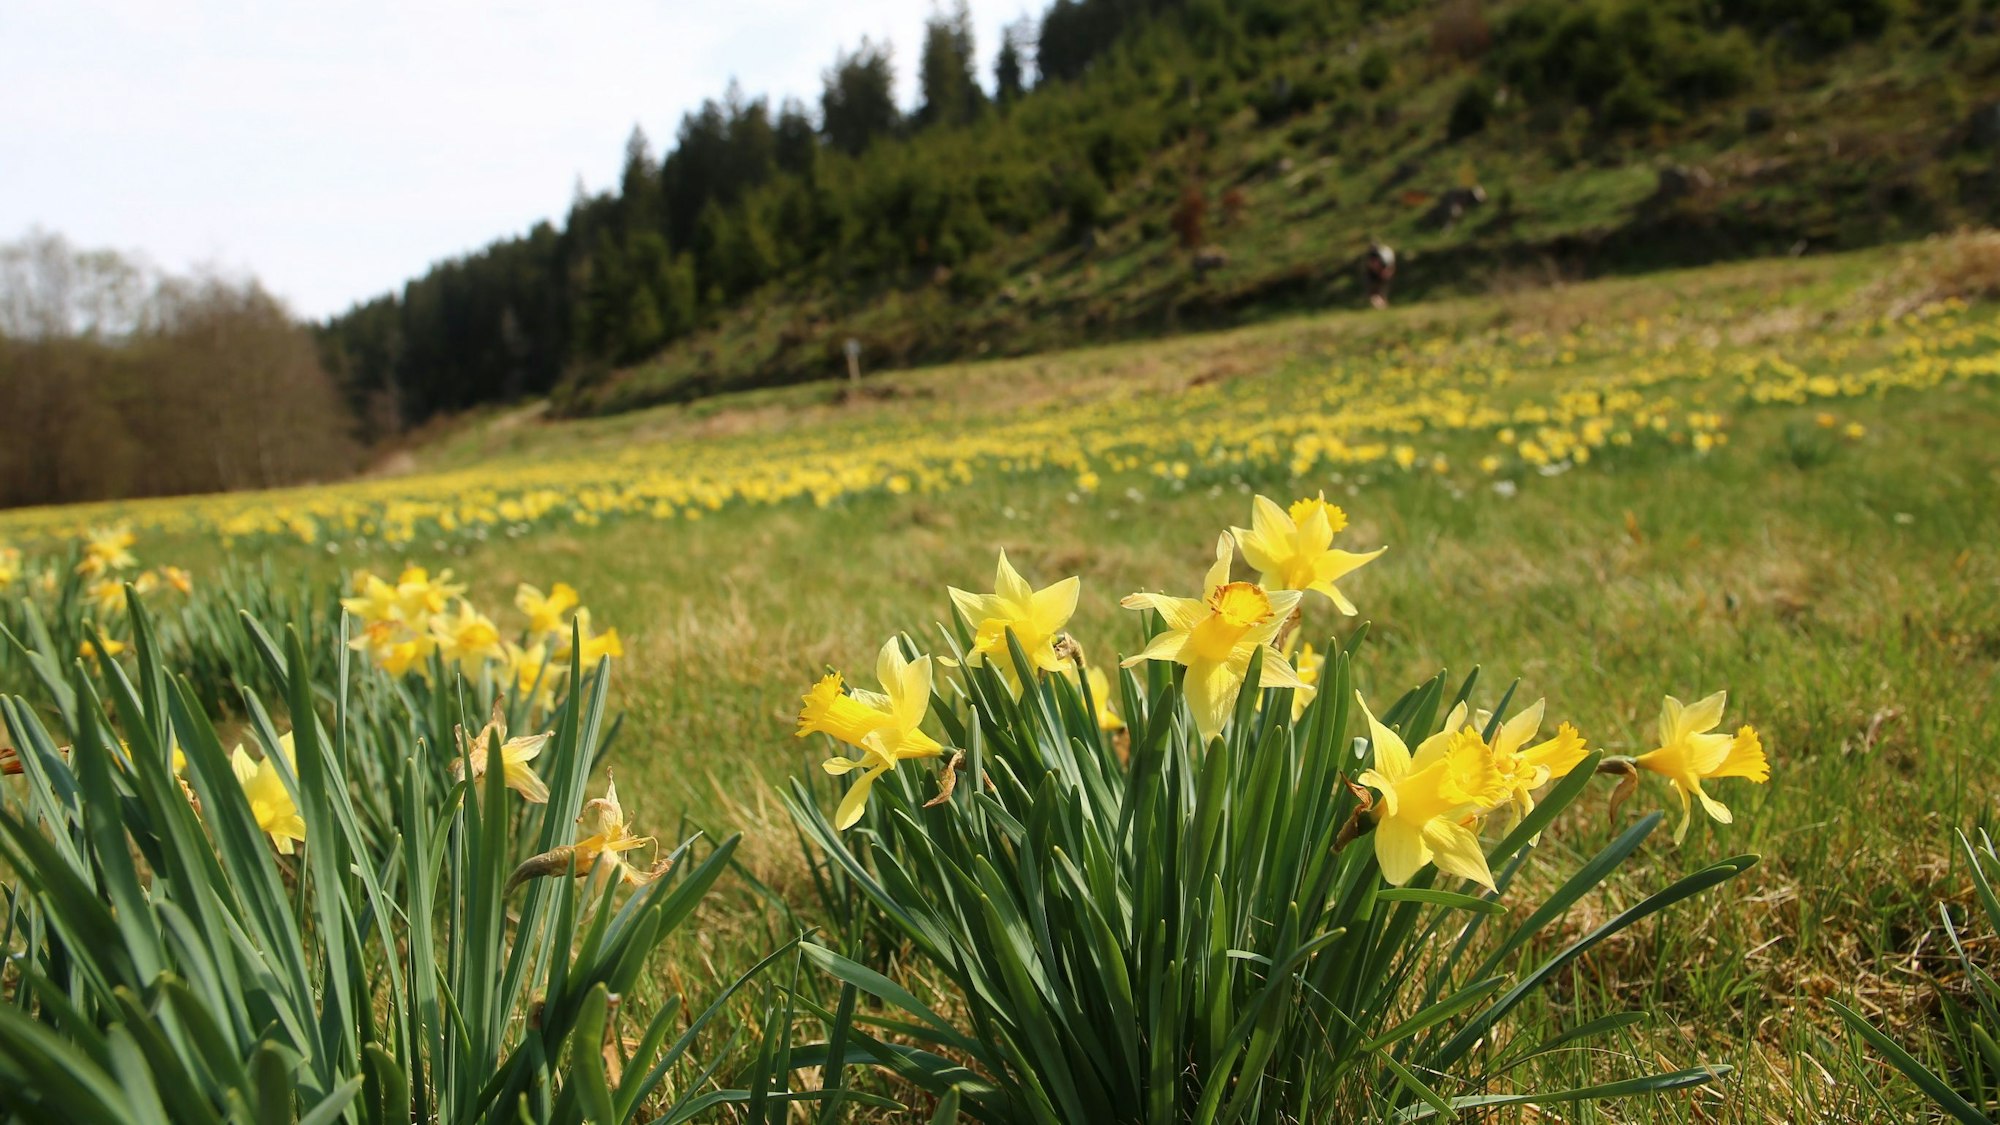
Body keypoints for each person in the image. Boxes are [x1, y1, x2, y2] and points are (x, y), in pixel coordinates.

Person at [1363, 240, 1396, 309]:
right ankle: (1383, 306)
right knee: (1379, 292)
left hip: (1378, 274)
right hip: (1380, 274)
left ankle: (1381, 306)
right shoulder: (1382, 253)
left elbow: (1374, 265)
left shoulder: (1375, 255)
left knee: (1375, 293)